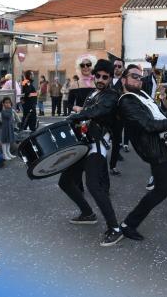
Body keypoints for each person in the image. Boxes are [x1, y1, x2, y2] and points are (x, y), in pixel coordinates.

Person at [117, 64, 167, 241]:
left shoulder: (143, 95)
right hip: (157, 149)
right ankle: (128, 225)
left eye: (140, 77)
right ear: (124, 79)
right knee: (162, 189)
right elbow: (149, 126)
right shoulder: (127, 101)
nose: (138, 80)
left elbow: (160, 115)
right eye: (134, 76)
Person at [60, 59, 124, 247]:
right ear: (94, 76)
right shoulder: (93, 93)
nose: (101, 79)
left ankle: (115, 228)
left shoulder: (111, 95)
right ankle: (87, 213)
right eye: (98, 76)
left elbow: (98, 110)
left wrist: (77, 115)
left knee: (94, 185)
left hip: (97, 144)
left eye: (105, 77)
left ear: (111, 78)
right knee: (65, 182)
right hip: (83, 143)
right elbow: (88, 110)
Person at [108, 58, 126, 175]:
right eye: (115, 66)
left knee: (116, 142)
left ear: (123, 68)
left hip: (118, 118)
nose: (117, 68)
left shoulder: (125, 81)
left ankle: (113, 166)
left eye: (119, 66)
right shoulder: (106, 78)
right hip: (105, 116)